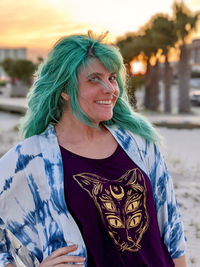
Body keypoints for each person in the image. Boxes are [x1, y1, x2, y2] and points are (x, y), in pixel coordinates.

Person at [0, 32, 187, 267]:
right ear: (65, 90)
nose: (110, 89)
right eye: (94, 79)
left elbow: (172, 230)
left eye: (111, 78)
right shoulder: (32, 157)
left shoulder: (139, 143)